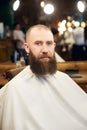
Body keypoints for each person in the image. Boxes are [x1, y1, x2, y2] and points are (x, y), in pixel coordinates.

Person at [0, 24, 87, 130]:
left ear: (54, 46)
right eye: (38, 43)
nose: (45, 49)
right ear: (27, 47)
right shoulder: (15, 89)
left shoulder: (65, 79)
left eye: (49, 43)